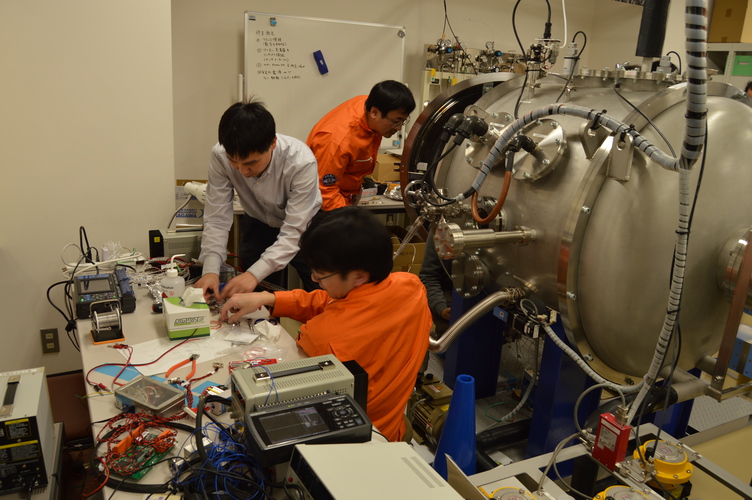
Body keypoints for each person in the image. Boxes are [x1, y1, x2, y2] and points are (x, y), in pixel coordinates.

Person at [219, 206, 432, 442]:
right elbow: (336, 302)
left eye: (320, 274)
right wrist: (269, 298)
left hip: (355, 439)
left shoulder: (323, 339)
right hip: (393, 424)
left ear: (358, 276)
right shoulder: (412, 287)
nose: (314, 279)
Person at [195, 101, 322, 301]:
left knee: (320, 291)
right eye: (233, 162)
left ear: (273, 143)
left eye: (251, 163)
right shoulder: (219, 155)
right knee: (256, 299)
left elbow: (294, 231)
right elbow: (217, 218)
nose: (242, 171)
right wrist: (210, 270)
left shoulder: (301, 162)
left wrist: (254, 274)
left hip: (305, 228)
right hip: (258, 223)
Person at [307, 80, 416, 211]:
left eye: (403, 121)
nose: (399, 128)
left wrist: (356, 188)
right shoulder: (337, 141)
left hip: (343, 196)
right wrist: (348, 218)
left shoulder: (369, 107)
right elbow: (324, 191)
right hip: (321, 205)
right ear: (374, 112)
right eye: (396, 121)